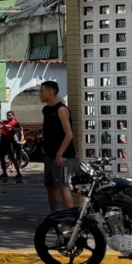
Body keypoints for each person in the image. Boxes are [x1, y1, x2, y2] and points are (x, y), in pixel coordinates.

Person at [40, 80, 77, 212]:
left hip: (62, 156)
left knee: (63, 186)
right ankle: (54, 217)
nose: (40, 94)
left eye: (41, 91)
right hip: (49, 154)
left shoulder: (62, 109)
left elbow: (69, 135)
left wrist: (60, 153)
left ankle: (69, 219)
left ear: (51, 92)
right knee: (50, 186)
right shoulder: (46, 110)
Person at [0, 111, 24, 183]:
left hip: (10, 142)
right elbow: (1, 121)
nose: (8, 116)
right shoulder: (5, 122)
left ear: (13, 116)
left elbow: (19, 130)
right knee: (1, 158)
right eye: (7, 115)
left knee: (12, 158)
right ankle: (4, 173)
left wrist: (11, 127)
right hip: (3, 142)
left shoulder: (15, 123)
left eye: (9, 115)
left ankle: (18, 173)